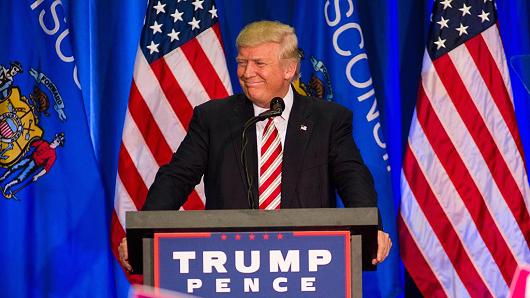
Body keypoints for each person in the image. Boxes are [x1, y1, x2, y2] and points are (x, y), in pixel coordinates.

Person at [119, 20, 391, 271]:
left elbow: (353, 177)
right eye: (242, 62)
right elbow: (177, 177)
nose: (247, 73)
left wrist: (370, 229)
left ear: (289, 69)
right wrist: (144, 232)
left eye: (259, 63)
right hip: (228, 261)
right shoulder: (214, 118)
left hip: (306, 262)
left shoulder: (328, 120)